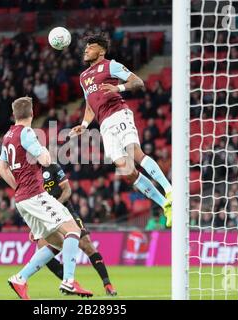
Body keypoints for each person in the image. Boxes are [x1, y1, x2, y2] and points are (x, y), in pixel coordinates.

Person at [70, 34, 173, 226]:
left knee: (135, 152)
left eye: (90, 47)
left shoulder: (111, 65)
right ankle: (165, 204)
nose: (85, 50)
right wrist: (83, 126)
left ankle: (169, 189)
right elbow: (90, 105)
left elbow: (138, 82)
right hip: (104, 125)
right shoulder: (83, 77)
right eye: (85, 47)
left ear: (101, 51)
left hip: (119, 113)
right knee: (126, 170)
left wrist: (119, 89)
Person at [0, 97, 92, 299]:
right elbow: (45, 160)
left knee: (56, 243)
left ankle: (20, 278)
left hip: (22, 199)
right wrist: (45, 152)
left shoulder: (7, 136)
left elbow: (1, 169)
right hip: (35, 195)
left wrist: (17, 186)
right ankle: (68, 281)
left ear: (15, 115)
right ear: (32, 114)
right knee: (73, 230)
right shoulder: (27, 133)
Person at [33, 162, 117, 296]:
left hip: (65, 211)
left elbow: (67, 191)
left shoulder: (53, 167)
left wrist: (56, 206)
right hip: (44, 217)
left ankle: (107, 284)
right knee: (44, 252)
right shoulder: (30, 173)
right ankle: (70, 283)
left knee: (87, 245)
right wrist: (33, 225)